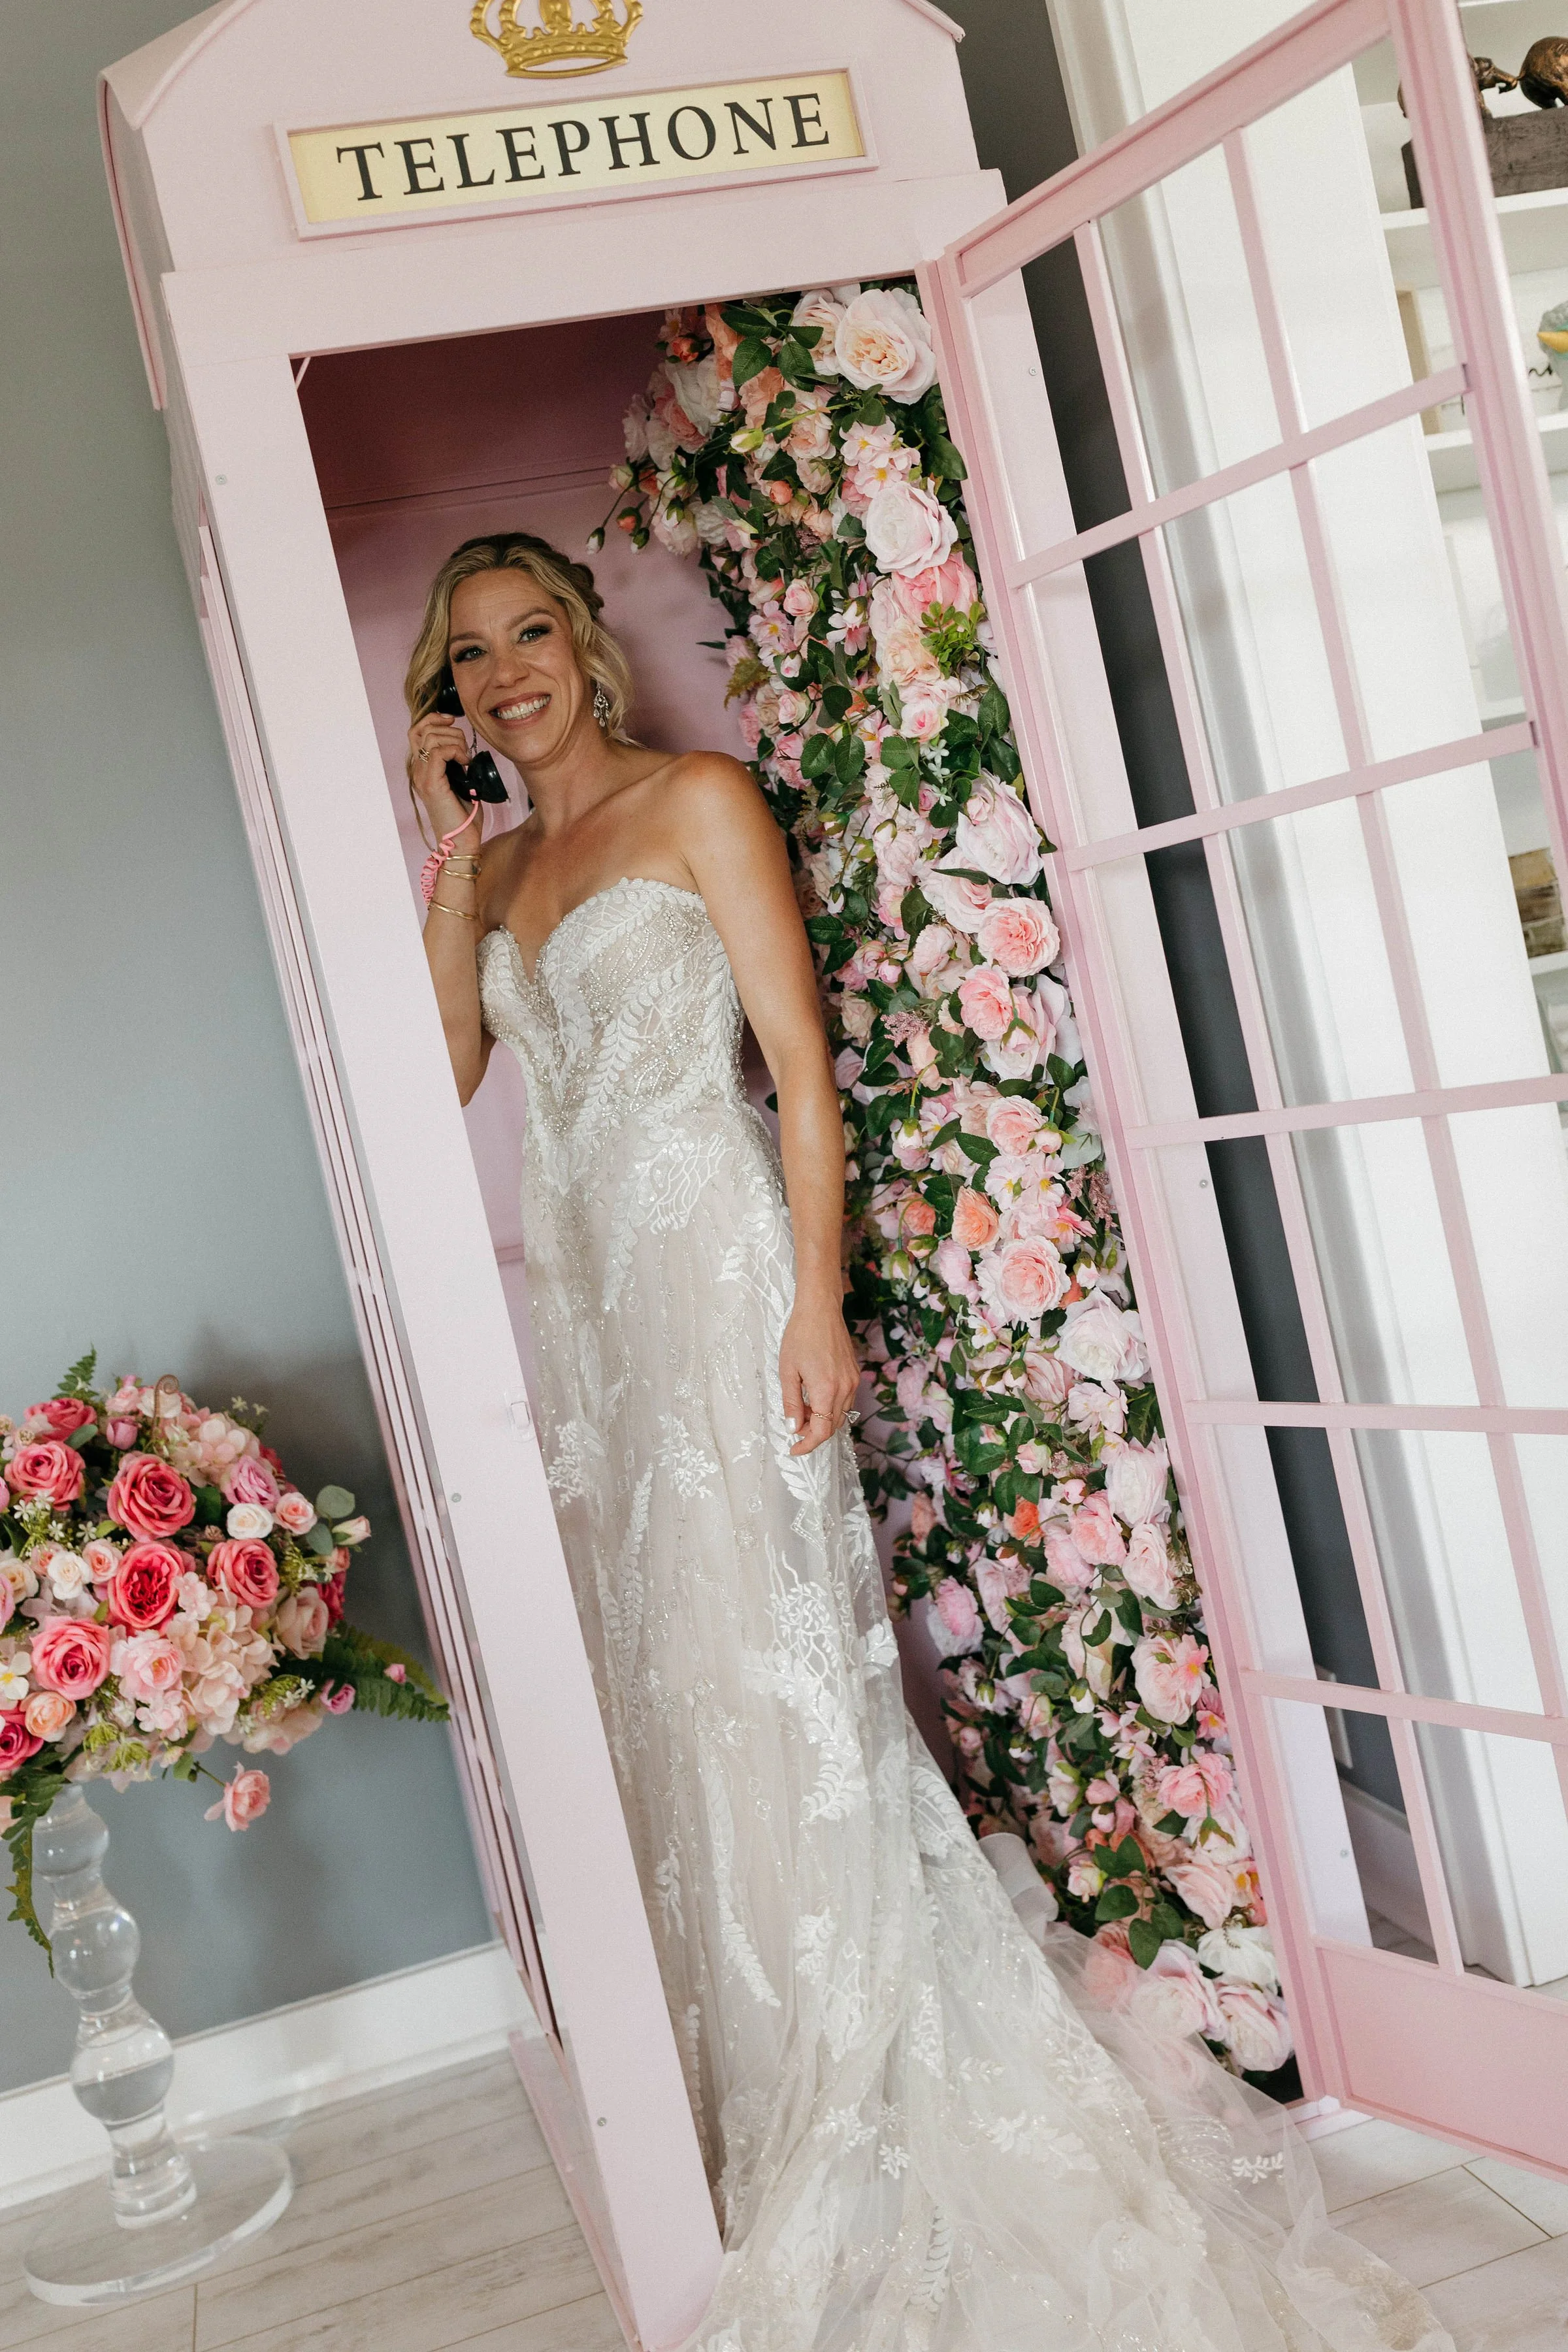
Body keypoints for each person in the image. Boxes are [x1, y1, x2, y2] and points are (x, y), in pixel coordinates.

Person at [408, 531, 1450, 2352]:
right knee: (676, 1685)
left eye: (529, 638)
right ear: (450, 695)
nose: (507, 676)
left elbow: (798, 1067)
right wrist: (443, 853)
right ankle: (752, 2050)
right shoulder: (493, 875)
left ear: (581, 645)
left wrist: (812, 1302)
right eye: (469, 657)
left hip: (721, 1279)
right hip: (590, 1331)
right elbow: (446, 1088)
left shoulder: (698, 799)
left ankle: (855, 2056)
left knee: (782, 1680)